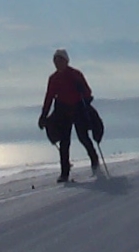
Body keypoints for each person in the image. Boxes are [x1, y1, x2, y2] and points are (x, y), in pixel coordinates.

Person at [39, 49, 100, 182]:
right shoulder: (53, 78)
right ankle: (64, 172)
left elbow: (88, 92)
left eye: (59, 60)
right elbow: (49, 97)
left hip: (78, 109)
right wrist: (43, 115)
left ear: (66, 61)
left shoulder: (75, 74)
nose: (57, 63)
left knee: (83, 137)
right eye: (55, 61)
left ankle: (95, 161)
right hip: (63, 111)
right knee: (64, 142)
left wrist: (82, 92)